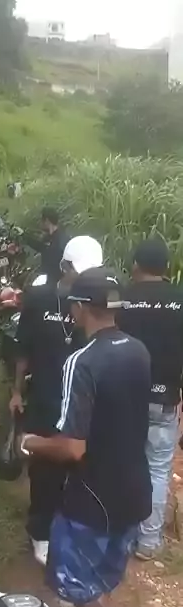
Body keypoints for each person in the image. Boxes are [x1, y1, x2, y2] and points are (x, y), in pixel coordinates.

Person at [20, 267, 169, 607]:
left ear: (80, 308)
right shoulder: (137, 350)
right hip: (134, 488)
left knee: (73, 583)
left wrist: (29, 443)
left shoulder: (82, 362)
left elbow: (72, 448)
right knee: (101, 575)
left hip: (93, 496)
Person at [10, 236, 103, 565]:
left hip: (82, 398)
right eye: (80, 271)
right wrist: (17, 391)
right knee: (44, 469)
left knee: (78, 464)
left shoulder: (95, 301)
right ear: (65, 266)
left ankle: (70, 525)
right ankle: (40, 531)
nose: (85, 278)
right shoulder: (39, 298)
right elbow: (23, 348)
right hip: (46, 395)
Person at [118, 237, 183, 560]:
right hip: (164, 398)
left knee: (124, 463)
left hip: (124, 399)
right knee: (157, 469)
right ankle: (148, 541)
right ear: (166, 267)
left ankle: (120, 538)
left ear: (136, 265)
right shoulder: (180, 299)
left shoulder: (122, 298)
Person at [24, 207, 70, 284]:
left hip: (57, 281)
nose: (40, 223)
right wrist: (24, 236)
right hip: (47, 279)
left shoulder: (61, 240)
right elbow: (40, 246)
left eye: (41, 220)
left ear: (47, 221)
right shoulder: (49, 237)